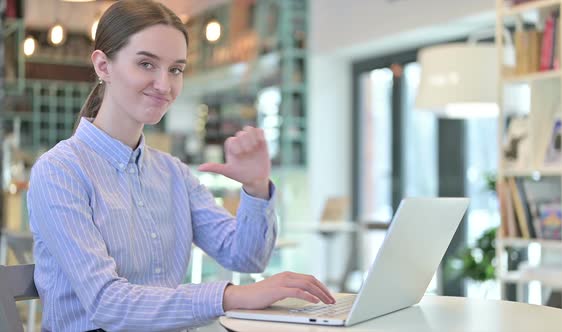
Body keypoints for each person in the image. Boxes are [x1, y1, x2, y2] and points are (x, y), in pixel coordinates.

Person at [26, 1, 335, 331]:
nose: (164, 85)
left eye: (175, 69)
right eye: (146, 64)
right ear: (103, 65)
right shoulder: (59, 171)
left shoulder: (172, 172)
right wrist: (233, 296)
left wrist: (256, 187)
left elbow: (245, 257)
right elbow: (107, 304)